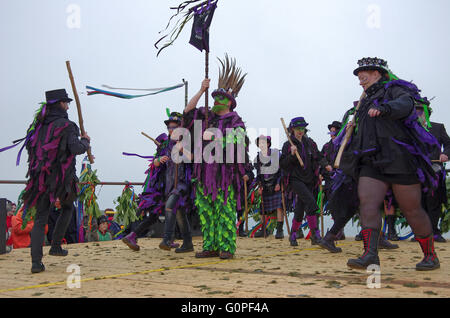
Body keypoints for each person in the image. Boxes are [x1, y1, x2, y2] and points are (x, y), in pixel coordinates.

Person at [341, 57, 440, 271]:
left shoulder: (395, 89)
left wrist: (386, 108)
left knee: (411, 209)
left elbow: (405, 106)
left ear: (377, 72)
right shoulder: (365, 101)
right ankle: (370, 254)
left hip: (399, 159)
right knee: (367, 202)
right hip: (372, 160)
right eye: (358, 78)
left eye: (363, 75)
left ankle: (430, 255)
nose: (360, 80)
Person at [183, 55, 251, 259]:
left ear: (230, 103)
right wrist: (201, 89)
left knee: (225, 211)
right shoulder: (206, 115)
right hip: (203, 173)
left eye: (220, 98)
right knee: (206, 211)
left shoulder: (235, 120)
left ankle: (227, 248)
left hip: (224, 176)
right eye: (213, 97)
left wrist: (216, 137)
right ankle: (210, 246)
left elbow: (241, 140)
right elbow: (187, 111)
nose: (215, 101)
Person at [17, 89, 90, 273]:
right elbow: (75, 148)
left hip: (40, 177)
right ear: (60, 104)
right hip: (62, 178)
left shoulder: (37, 127)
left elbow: (31, 149)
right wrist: (86, 142)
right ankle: (56, 245)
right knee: (68, 208)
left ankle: (36, 263)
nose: (68, 106)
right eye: (66, 102)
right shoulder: (67, 125)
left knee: (41, 218)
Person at [123, 112, 194, 253]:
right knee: (178, 212)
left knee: (170, 206)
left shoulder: (186, 143)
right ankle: (187, 243)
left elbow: (193, 159)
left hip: (182, 184)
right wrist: (158, 160)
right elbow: (155, 163)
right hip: (167, 185)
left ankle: (167, 239)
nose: (171, 130)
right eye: (169, 128)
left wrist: (182, 150)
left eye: (175, 127)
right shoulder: (165, 145)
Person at [280, 117, 332, 246]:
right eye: (298, 129)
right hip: (295, 179)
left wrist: (326, 165)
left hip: (309, 179)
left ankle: (293, 235)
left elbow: (319, 156)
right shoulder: (288, 145)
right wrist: (292, 155)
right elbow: (283, 165)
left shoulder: (310, 143)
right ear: (292, 129)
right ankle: (315, 234)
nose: (300, 131)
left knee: (300, 208)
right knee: (312, 204)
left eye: (302, 128)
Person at [415, 102, 450, 242]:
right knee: (418, 203)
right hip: (416, 172)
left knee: (433, 201)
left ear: (426, 114)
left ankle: (434, 232)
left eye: (420, 112)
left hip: (434, 171)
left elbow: (449, 144)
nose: (417, 115)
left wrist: (445, 154)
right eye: (415, 112)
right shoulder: (409, 130)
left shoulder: (438, 128)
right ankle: (421, 233)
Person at [254, 135, 284, 239]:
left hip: (275, 183)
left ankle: (279, 230)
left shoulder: (276, 154)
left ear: (268, 144)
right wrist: (260, 186)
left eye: (263, 143)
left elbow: (281, 170)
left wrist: (278, 183)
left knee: (279, 207)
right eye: (259, 143)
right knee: (262, 208)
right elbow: (258, 173)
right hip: (265, 185)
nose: (261, 145)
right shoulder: (258, 157)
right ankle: (264, 230)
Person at [321, 121, 345, 240]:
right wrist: (324, 168)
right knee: (333, 206)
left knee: (342, 205)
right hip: (329, 180)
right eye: (331, 131)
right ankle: (338, 231)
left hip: (342, 179)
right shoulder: (326, 146)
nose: (332, 133)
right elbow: (320, 159)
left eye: (335, 131)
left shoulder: (344, 145)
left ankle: (340, 230)